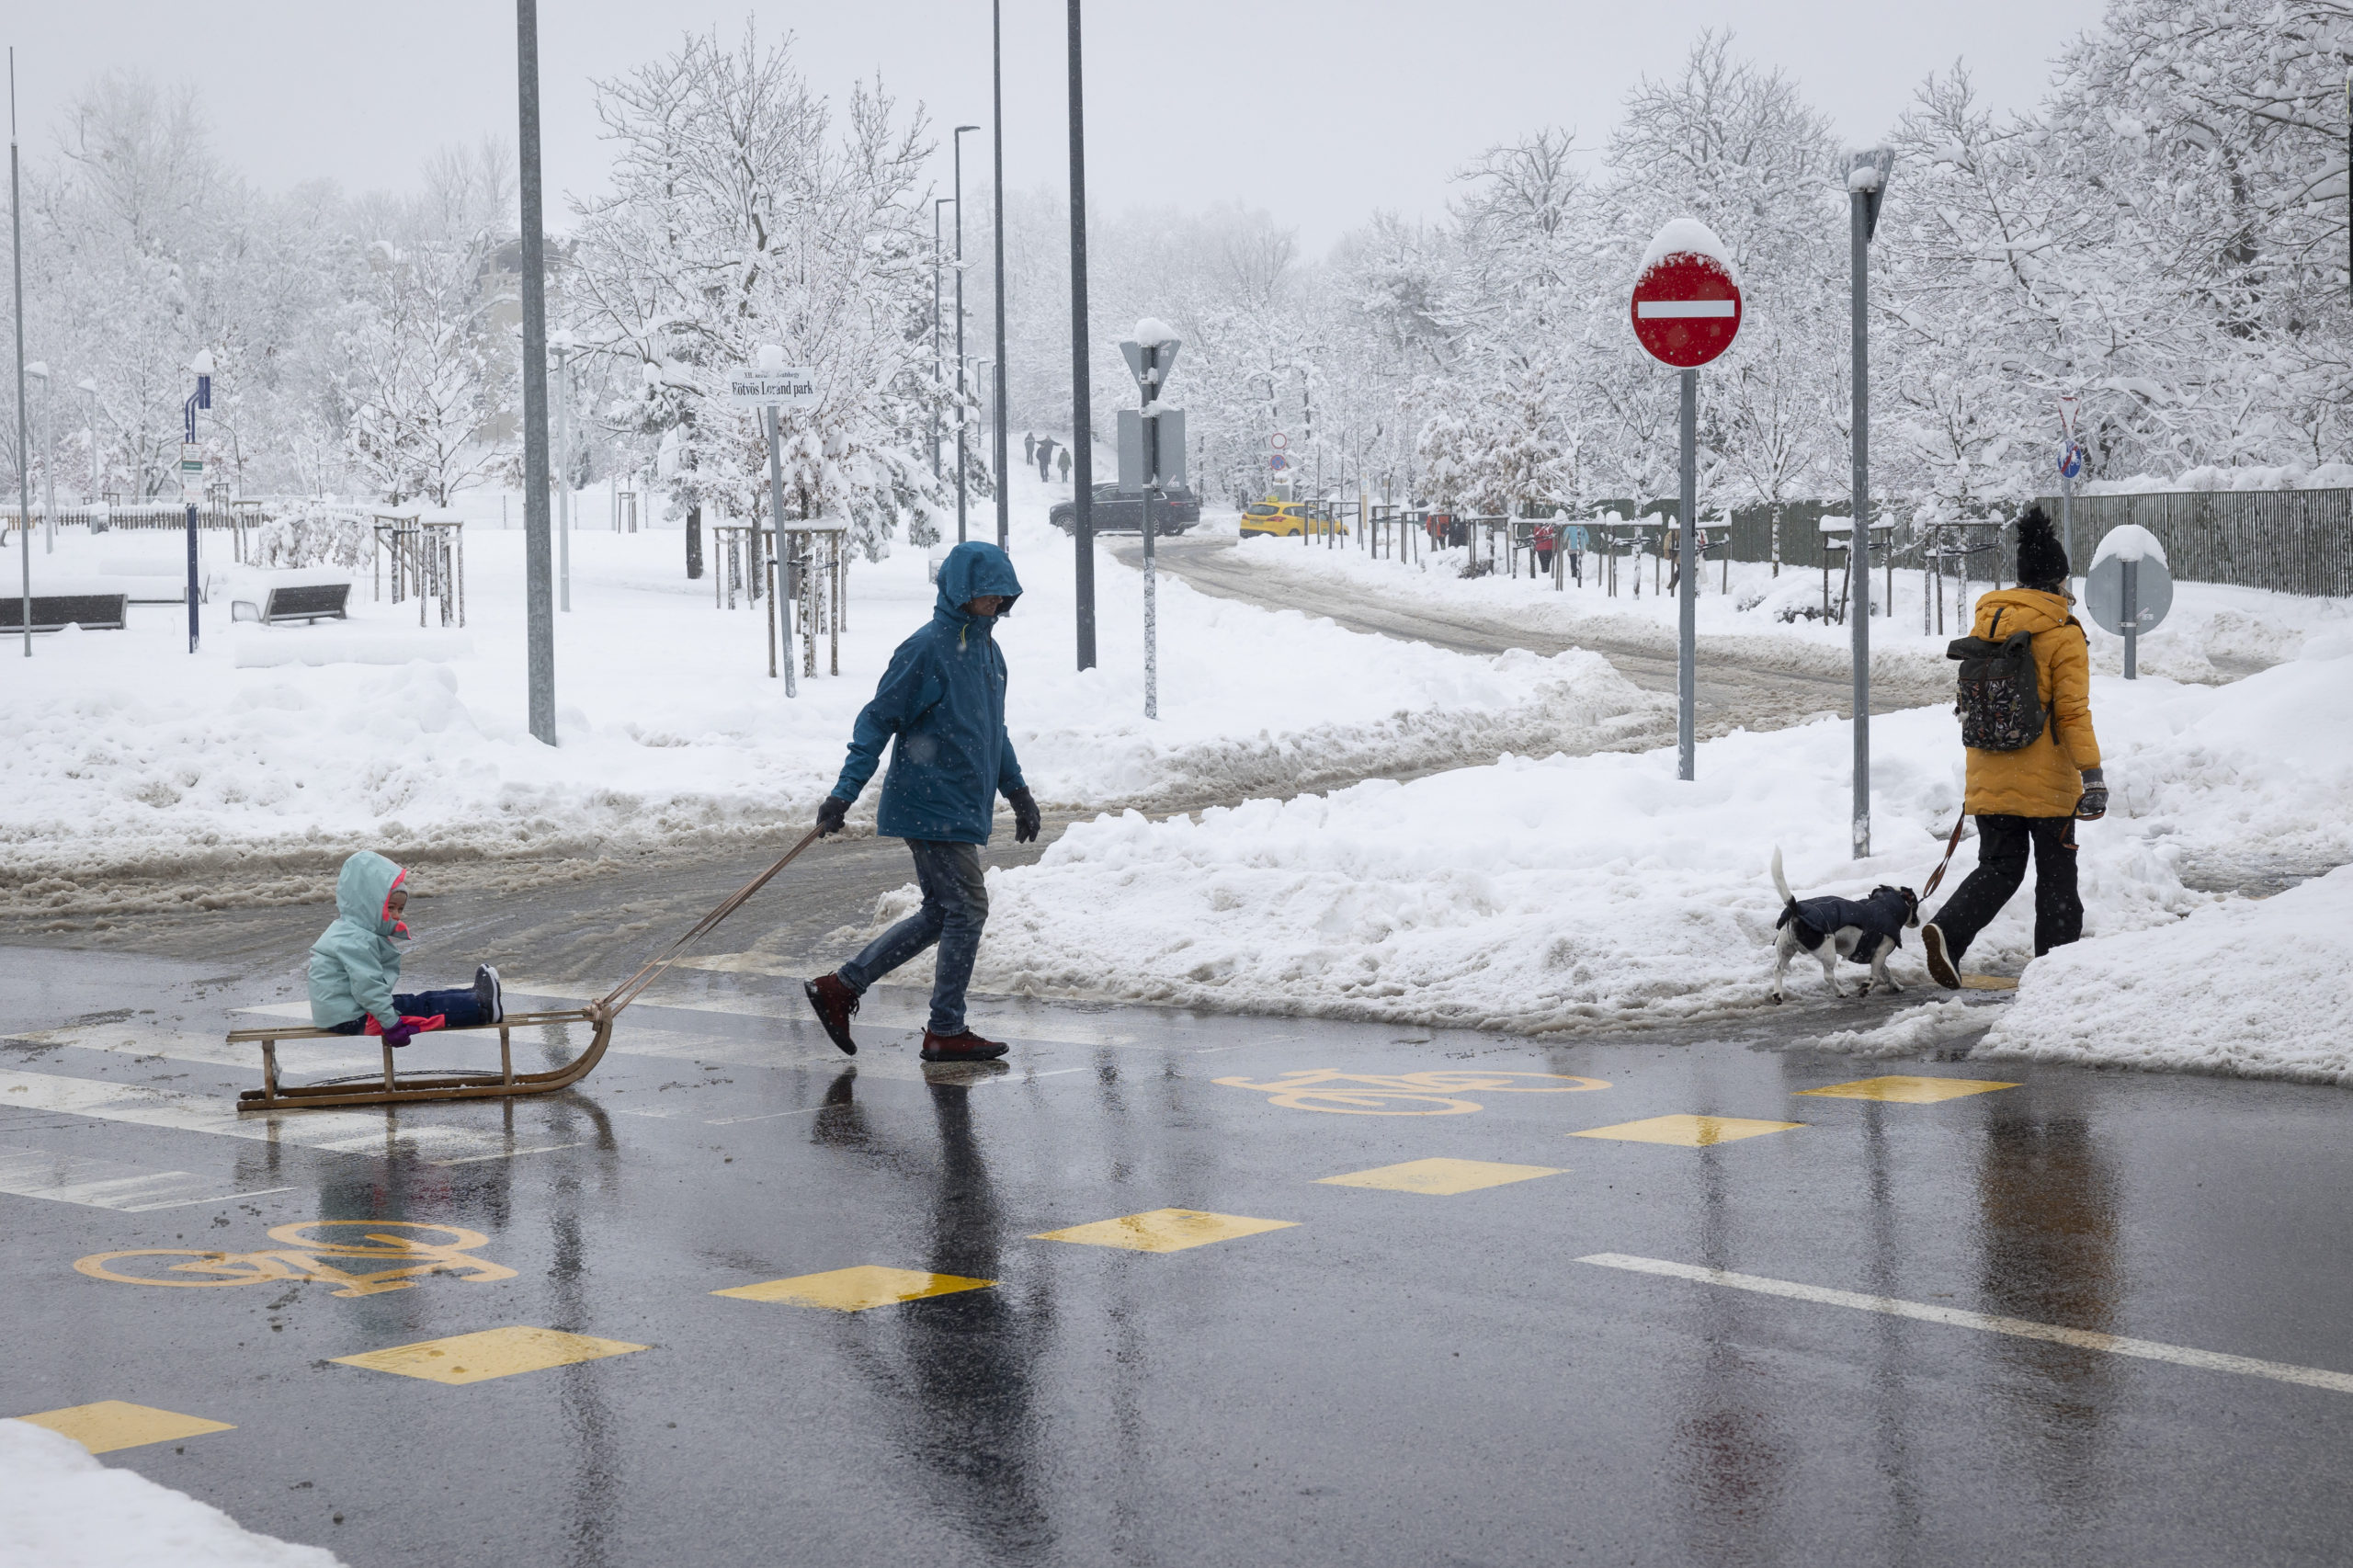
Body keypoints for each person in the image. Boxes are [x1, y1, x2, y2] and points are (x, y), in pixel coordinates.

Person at [802, 541, 1042, 1063]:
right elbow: (876, 720)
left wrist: (1017, 790)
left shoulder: (989, 652)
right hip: (929, 804)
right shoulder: (926, 648)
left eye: (1003, 593)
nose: (995, 601)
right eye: (986, 592)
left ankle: (842, 988)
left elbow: (991, 731)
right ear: (960, 590)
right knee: (968, 907)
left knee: (942, 912)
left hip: (959, 805)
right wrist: (844, 793)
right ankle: (945, 1029)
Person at [1921, 506, 2106, 987]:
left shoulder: (1987, 626)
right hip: (2046, 783)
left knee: (1999, 867)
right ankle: (2056, 976)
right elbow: (2071, 714)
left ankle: (1949, 929)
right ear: (2057, 581)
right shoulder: (2063, 634)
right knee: (2056, 875)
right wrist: (2093, 775)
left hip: (1989, 775)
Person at [309, 850, 501, 1045]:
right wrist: (391, 1024)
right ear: (367, 904)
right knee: (422, 1011)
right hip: (352, 1019)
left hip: (344, 1011)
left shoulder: (347, 930)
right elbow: (368, 988)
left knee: (416, 1000)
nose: (397, 916)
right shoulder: (356, 940)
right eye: (390, 908)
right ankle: (481, 1009)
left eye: (400, 909)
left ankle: (473, 995)